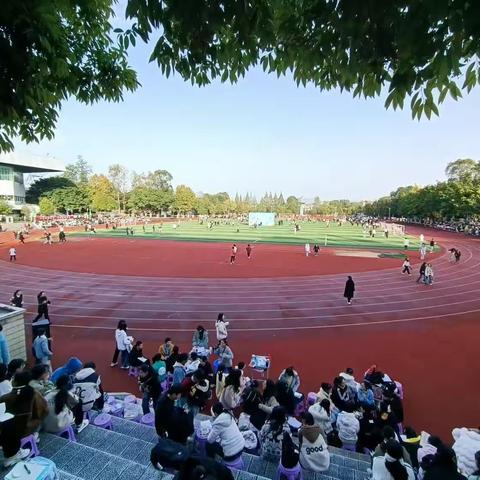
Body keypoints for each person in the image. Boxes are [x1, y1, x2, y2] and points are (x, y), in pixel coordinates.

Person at [0, 370, 48, 441]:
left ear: (15, 382)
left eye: (13, 379)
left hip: (11, 430)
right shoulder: (35, 393)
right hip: (31, 427)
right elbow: (45, 410)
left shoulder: (6, 397)